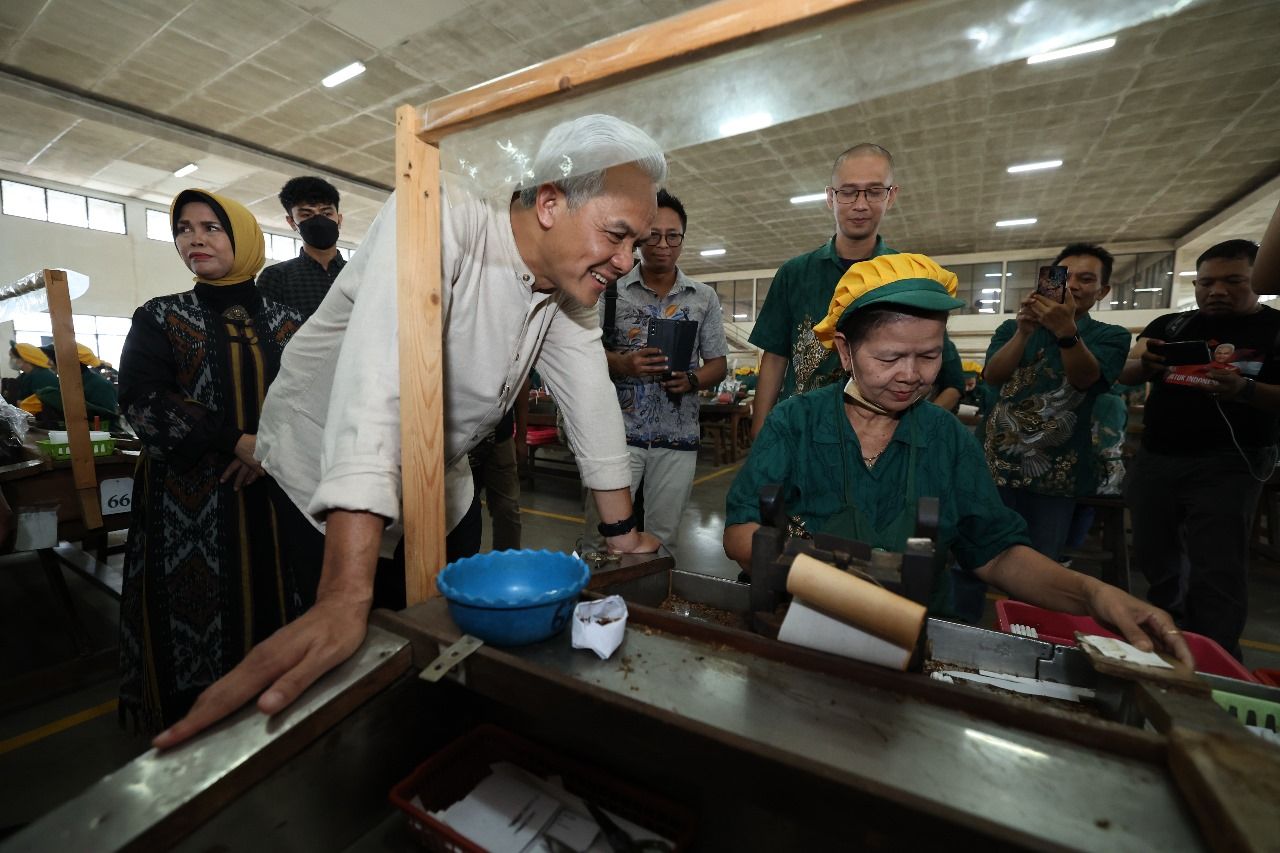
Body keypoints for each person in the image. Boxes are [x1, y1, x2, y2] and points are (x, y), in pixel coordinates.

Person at [152, 114, 666, 749]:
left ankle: (425, 739)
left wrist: (620, 536)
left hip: (435, 470)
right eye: (617, 236)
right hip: (326, 461)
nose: (625, 261)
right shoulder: (440, 212)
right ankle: (356, 760)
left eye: (636, 246)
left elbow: (590, 395)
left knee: (434, 637)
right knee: (349, 638)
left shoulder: (565, 286)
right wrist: (344, 592)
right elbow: (379, 379)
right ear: (552, 203)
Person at [723, 253, 1191, 662]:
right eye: (889, 358)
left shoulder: (946, 437)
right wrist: (835, 583)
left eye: (928, 357)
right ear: (844, 350)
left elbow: (997, 553)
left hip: (915, 636)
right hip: (798, 626)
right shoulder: (795, 422)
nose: (911, 376)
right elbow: (743, 531)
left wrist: (1091, 593)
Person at [116, 189, 307, 732]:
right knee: (193, 623)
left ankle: (277, 707)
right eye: (183, 229)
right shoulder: (159, 318)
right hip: (188, 505)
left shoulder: (293, 323)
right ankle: (195, 724)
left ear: (242, 237)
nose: (194, 239)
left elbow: (320, 397)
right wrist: (236, 441)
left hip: (276, 493)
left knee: (277, 603)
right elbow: (142, 400)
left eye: (210, 228)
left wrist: (265, 447)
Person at [1120, 239, 1279, 659]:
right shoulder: (1171, 326)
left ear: (1257, 281)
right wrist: (1145, 366)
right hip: (1158, 457)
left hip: (1231, 463)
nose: (1217, 291)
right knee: (1157, 557)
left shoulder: (1274, 330)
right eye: (1206, 282)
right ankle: (1165, 637)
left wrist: (1245, 389)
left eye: (1233, 281)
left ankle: (1214, 657)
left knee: (1217, 567)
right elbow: (1128, 371)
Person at [748, 144, 965, 437]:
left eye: (874, 191)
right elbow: (774, 358)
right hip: (801, 432)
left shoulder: (910, 276)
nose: (860, 205)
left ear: (891, 196)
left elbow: (948, 375)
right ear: (830, 197)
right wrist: (761, 432)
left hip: (879, 440)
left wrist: (918, 432)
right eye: (848, 192)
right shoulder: (795, 273)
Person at [581, 189, 728, 553]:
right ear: (640, 238)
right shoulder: (611, 290)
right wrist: (622, 363)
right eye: (654, 235)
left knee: (662, 541)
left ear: (682, 239)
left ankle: (651, 606)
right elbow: (583, 352)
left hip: (676, 437)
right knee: (602, 538)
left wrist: (691, 380)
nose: (663, 245)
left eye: (673, 236)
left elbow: (719, 365)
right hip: (616, 438)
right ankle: (597, 609)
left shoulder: (703, 297)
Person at [980, 244, 1131, 562]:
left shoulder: (1111, 336)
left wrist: (1067, 332)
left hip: (1056, 475)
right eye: (1064, 276)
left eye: (1086, 279)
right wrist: (1023, 332)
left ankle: (1026, 613)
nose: (1073, 285)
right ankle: (963, 614)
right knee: (976, 556)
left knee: (1039, 564)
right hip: (994, 465)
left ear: (1102, 291)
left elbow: (1085, 379)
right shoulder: (1011, 328)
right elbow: (993, 376)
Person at [256, 176, 345, 322]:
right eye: (306, 214)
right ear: (291, 222)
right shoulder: (276, 278)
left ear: (339, 219)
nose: (319, 220)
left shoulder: (359, 274)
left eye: (327, 213)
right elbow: (267, 333)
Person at [36, 341, 119, 423]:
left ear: (67, 361)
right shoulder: (66, 383)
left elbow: (108, 422)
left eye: (52, 359)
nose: (48, 363)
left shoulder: (100, 385)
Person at [8, 342, 58, 410]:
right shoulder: (25, 376)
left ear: (24, 358)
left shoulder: (41, 376)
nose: (11, 360)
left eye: (12, 357)